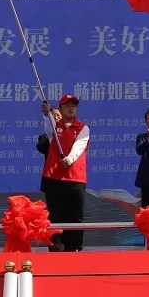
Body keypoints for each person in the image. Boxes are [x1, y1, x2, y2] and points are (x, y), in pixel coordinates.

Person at [39, 95, 90, 252]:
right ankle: (57, 247)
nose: (71, 108)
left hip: (75, 178)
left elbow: (79, 146)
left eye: (73, 105)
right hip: (55, 178)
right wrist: (46, 114)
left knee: (75, 216)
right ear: (60, 109)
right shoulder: (55, 127)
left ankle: (74, 247)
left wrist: (70, 159)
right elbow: (48, 127)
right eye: (67, 105)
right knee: (55, 215)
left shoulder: (83, 128)